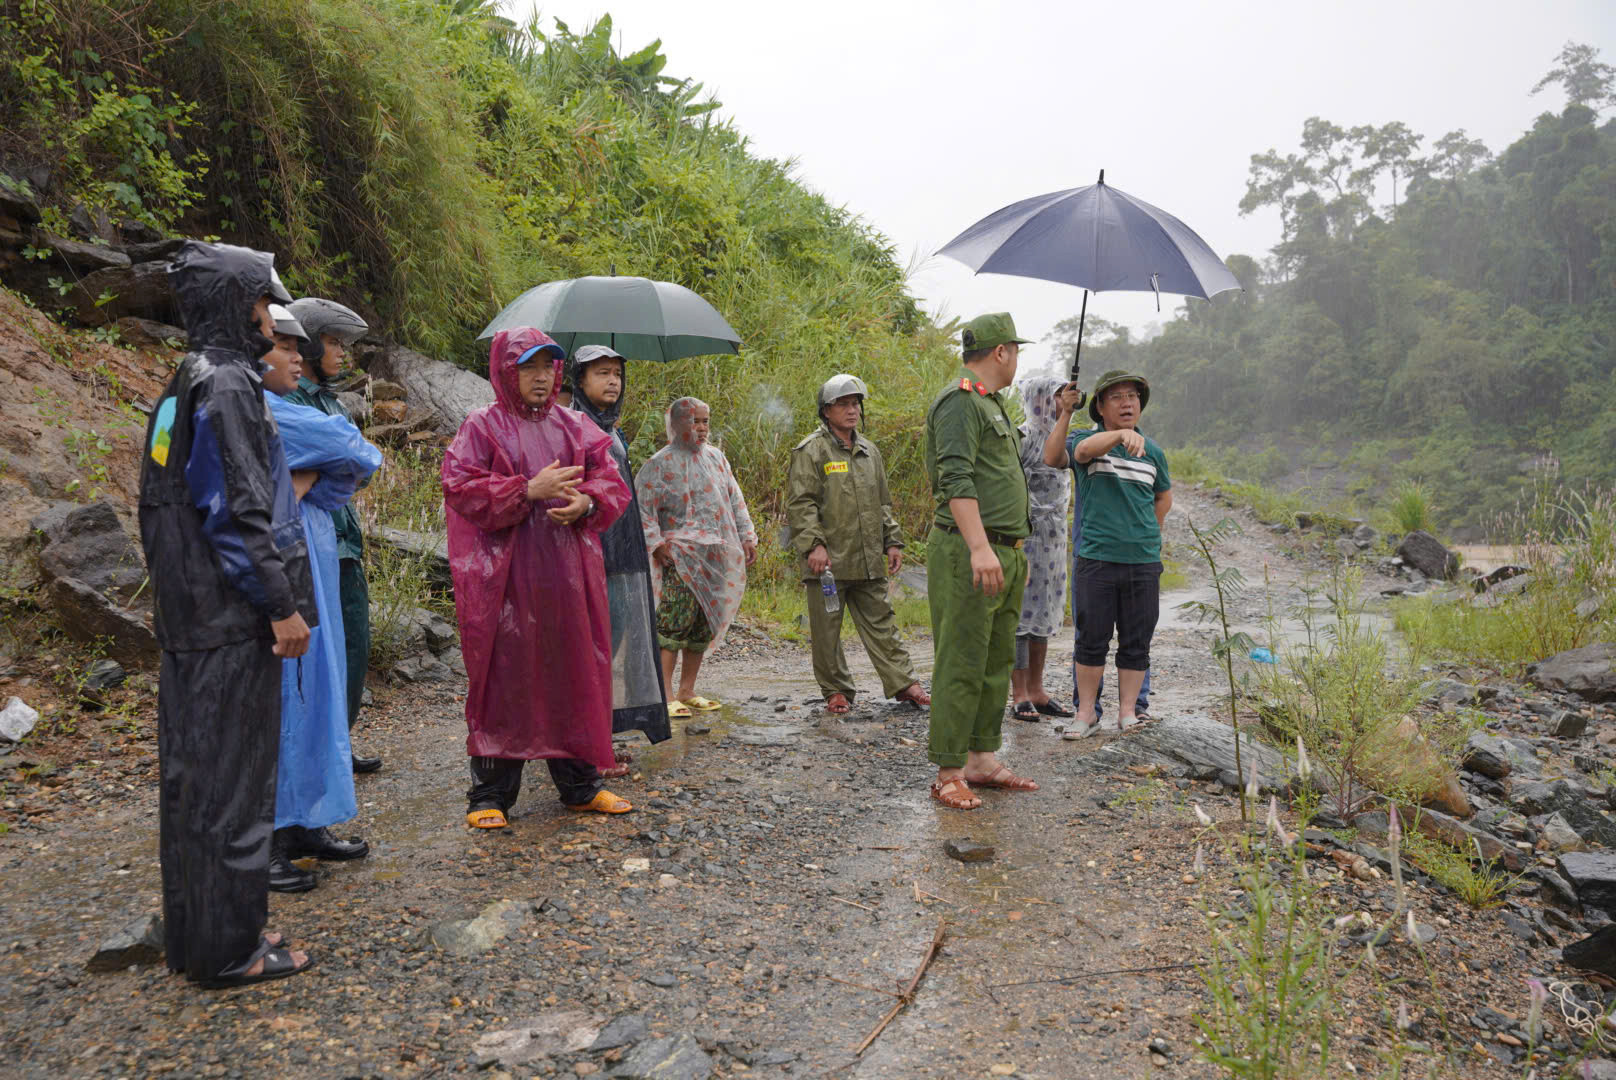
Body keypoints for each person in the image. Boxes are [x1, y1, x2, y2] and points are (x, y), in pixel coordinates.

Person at [138, 240, 315, 987]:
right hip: (228, 620)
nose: (269, 318)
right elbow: (239, 510)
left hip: (189, 619)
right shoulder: (232, 387)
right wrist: (280, 606)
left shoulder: (184, 381)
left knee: (193, 782)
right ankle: (231, 950)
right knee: (234, 787)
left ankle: (200, 933)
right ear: (238, 304)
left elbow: (165, 496)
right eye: (261, 302)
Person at [442, 328, 634, 828]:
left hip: (569, 576)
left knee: (573, 670)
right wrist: (528, 489)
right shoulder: (481, 427)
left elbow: (610, 482)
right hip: (505, 581)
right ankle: (489, 795)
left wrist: (587, 501)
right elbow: (460, 487)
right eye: (528, 367)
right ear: (507, 372)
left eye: (547, 367)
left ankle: (581, 785)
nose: (540, 378)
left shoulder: (577, 428)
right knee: (504, 677)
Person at [261, 307, 382, 891]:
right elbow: (345, 444)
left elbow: (359, 457)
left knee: (322, 685)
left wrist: (303, 481)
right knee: (287, 693)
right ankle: (271, 834)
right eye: (282, 345)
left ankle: (306, 820)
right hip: (281, 557)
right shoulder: (259, 410)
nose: (294, 355)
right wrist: (303, 480)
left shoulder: (298, 408)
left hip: (315, 548)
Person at [922, 313, 1041, 810]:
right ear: (1001, 352)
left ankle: (981, 758)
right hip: (971, 549)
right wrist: (978, 547)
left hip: (1006, 552)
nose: (1016, 359)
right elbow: (956, 479)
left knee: (996, 659)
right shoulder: (960, 402)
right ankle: (949, 770)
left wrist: (1008, 550)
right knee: (962, 659)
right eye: (1015, 350)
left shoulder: (991, 405)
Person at [785, 374, 930, 714]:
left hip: (867, 559)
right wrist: (813, 547)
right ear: (826, 410)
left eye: (855, 404)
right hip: (828, 563)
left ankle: (904, 683)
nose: (852, 411)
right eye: (844, 404)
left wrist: (892, 541)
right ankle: (836, 691)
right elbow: (801, 504)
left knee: (883, 621)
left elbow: (882, 504)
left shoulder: (870, 451)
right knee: (827, 631)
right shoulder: (812, 451)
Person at [1041, 370, 1172, 738]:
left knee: (1136, 639)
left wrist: (1150, 532)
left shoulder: (1154, 452)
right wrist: (1113, 434)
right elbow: (1068, 454)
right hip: (1096, 557)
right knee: (1092, 639)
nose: (1127, 403)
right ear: (1099, 407)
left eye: (1133, 396)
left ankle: (1128, 712)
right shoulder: (1087, 441)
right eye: (1116, 397)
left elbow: (1163, 495)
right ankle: (1086, 713)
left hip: (1143, 560)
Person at [284, 297, 384, 774]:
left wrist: (329, 469)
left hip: (345, 541)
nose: (342, 352)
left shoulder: (328, 401)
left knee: (353, 649)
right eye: (332, 342)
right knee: (318, 655)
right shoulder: (288, 398)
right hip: (308, 542)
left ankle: (337, 745)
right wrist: (334, 466)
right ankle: (316, 755)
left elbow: (361, 467)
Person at [565, 344, 672, 773]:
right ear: (580, 381)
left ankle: (598, 736)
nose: (613, 381)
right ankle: (584, 749)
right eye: (602, 374)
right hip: (593, 555)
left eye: (618, 375)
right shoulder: (573, 426)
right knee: (591, 649)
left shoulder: (610, 428)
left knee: (610, 648)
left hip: (624, 554)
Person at [636, 397, 757, 718]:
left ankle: (688, 689)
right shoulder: (658, 465)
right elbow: (642, 509)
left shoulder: (716, 459)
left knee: (701, 625)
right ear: (676, 424)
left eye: (706, 421)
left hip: (714, 555)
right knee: (673, 626)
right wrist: (657, 543)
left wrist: (747, 537)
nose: (702, 428)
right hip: (679, 559)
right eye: (695, 421)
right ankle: (666, 693)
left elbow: (735, 500)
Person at [1009, 376, 1074, 722]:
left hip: (1053, 541)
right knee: (1020, 616)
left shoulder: (1062, 438)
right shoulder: (1022, 437)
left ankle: (1037, 689)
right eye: (1056, 397)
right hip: (1026, 537)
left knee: (1044, 614)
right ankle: (1019, 692)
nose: (1062, 403)